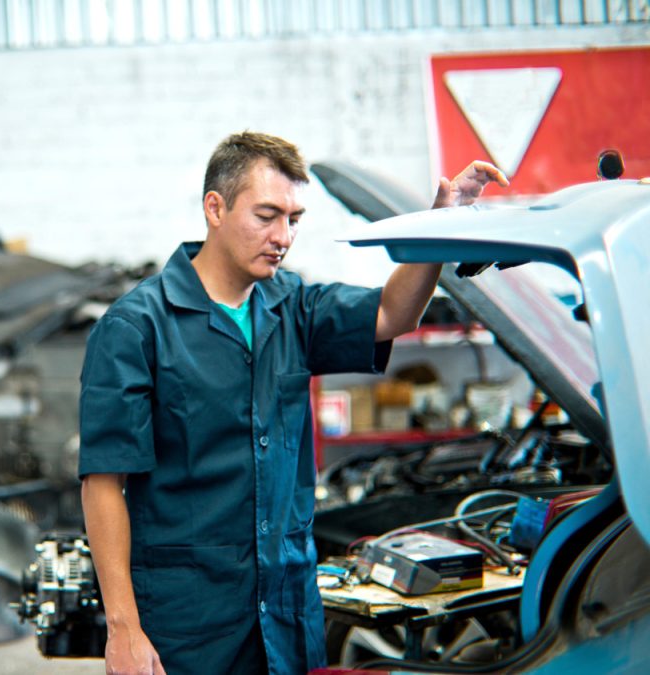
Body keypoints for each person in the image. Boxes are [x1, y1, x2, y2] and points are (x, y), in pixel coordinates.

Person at [78, 131, 508, 675]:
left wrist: (437, 228)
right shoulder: (136, 328)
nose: (283, 236)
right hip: (189, 624)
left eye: (295, 218)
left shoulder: (294, 306)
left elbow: (392, 314)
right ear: (215, 207)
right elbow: (102, 483)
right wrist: (124, 628)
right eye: (266, 215)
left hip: (286, 614)